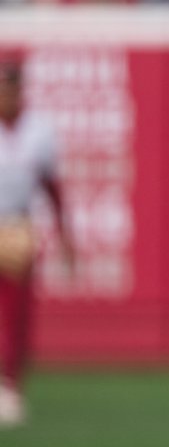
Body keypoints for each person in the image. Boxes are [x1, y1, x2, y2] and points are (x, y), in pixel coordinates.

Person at [0, 54, 75, 426]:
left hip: (18, 226)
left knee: (16, 315)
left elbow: (52, 187)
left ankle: (11, 387)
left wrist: (65, 235)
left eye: (12, 86)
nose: (7, 94)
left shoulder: (38, 129)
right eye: (2, 87)